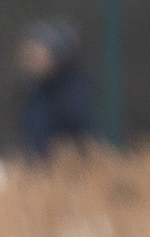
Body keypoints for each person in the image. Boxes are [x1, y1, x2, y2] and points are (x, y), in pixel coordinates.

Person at [15, 19, 99, 158]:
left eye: (36, 53)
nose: (30, 59)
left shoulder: (73, 92)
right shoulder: (37, 91)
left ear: (56, 53)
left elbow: (83, 139)